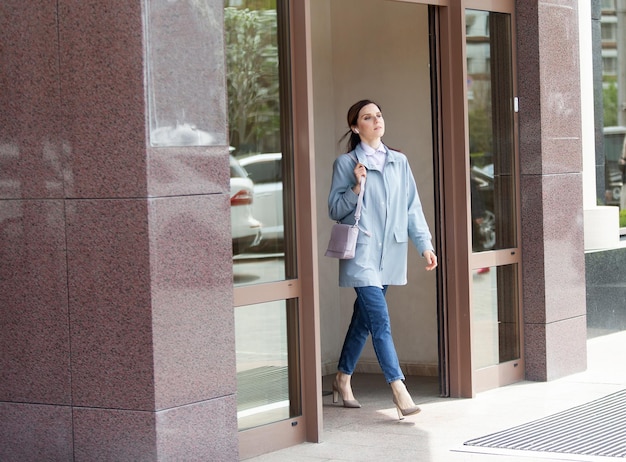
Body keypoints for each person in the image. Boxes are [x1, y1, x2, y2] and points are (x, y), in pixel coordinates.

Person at [328, 99, 438, 419]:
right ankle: (399, 388)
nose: (376, 120)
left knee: (364, 320)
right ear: (355, 127)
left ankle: (341, 378)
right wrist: (356, 187)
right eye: (367, 117)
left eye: (378, 115)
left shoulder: (399, 162)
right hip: (361, 252)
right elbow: (335, 209)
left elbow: (411, 208)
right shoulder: (346, 164)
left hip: (390, 252)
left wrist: (425, 245)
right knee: (380, 320)